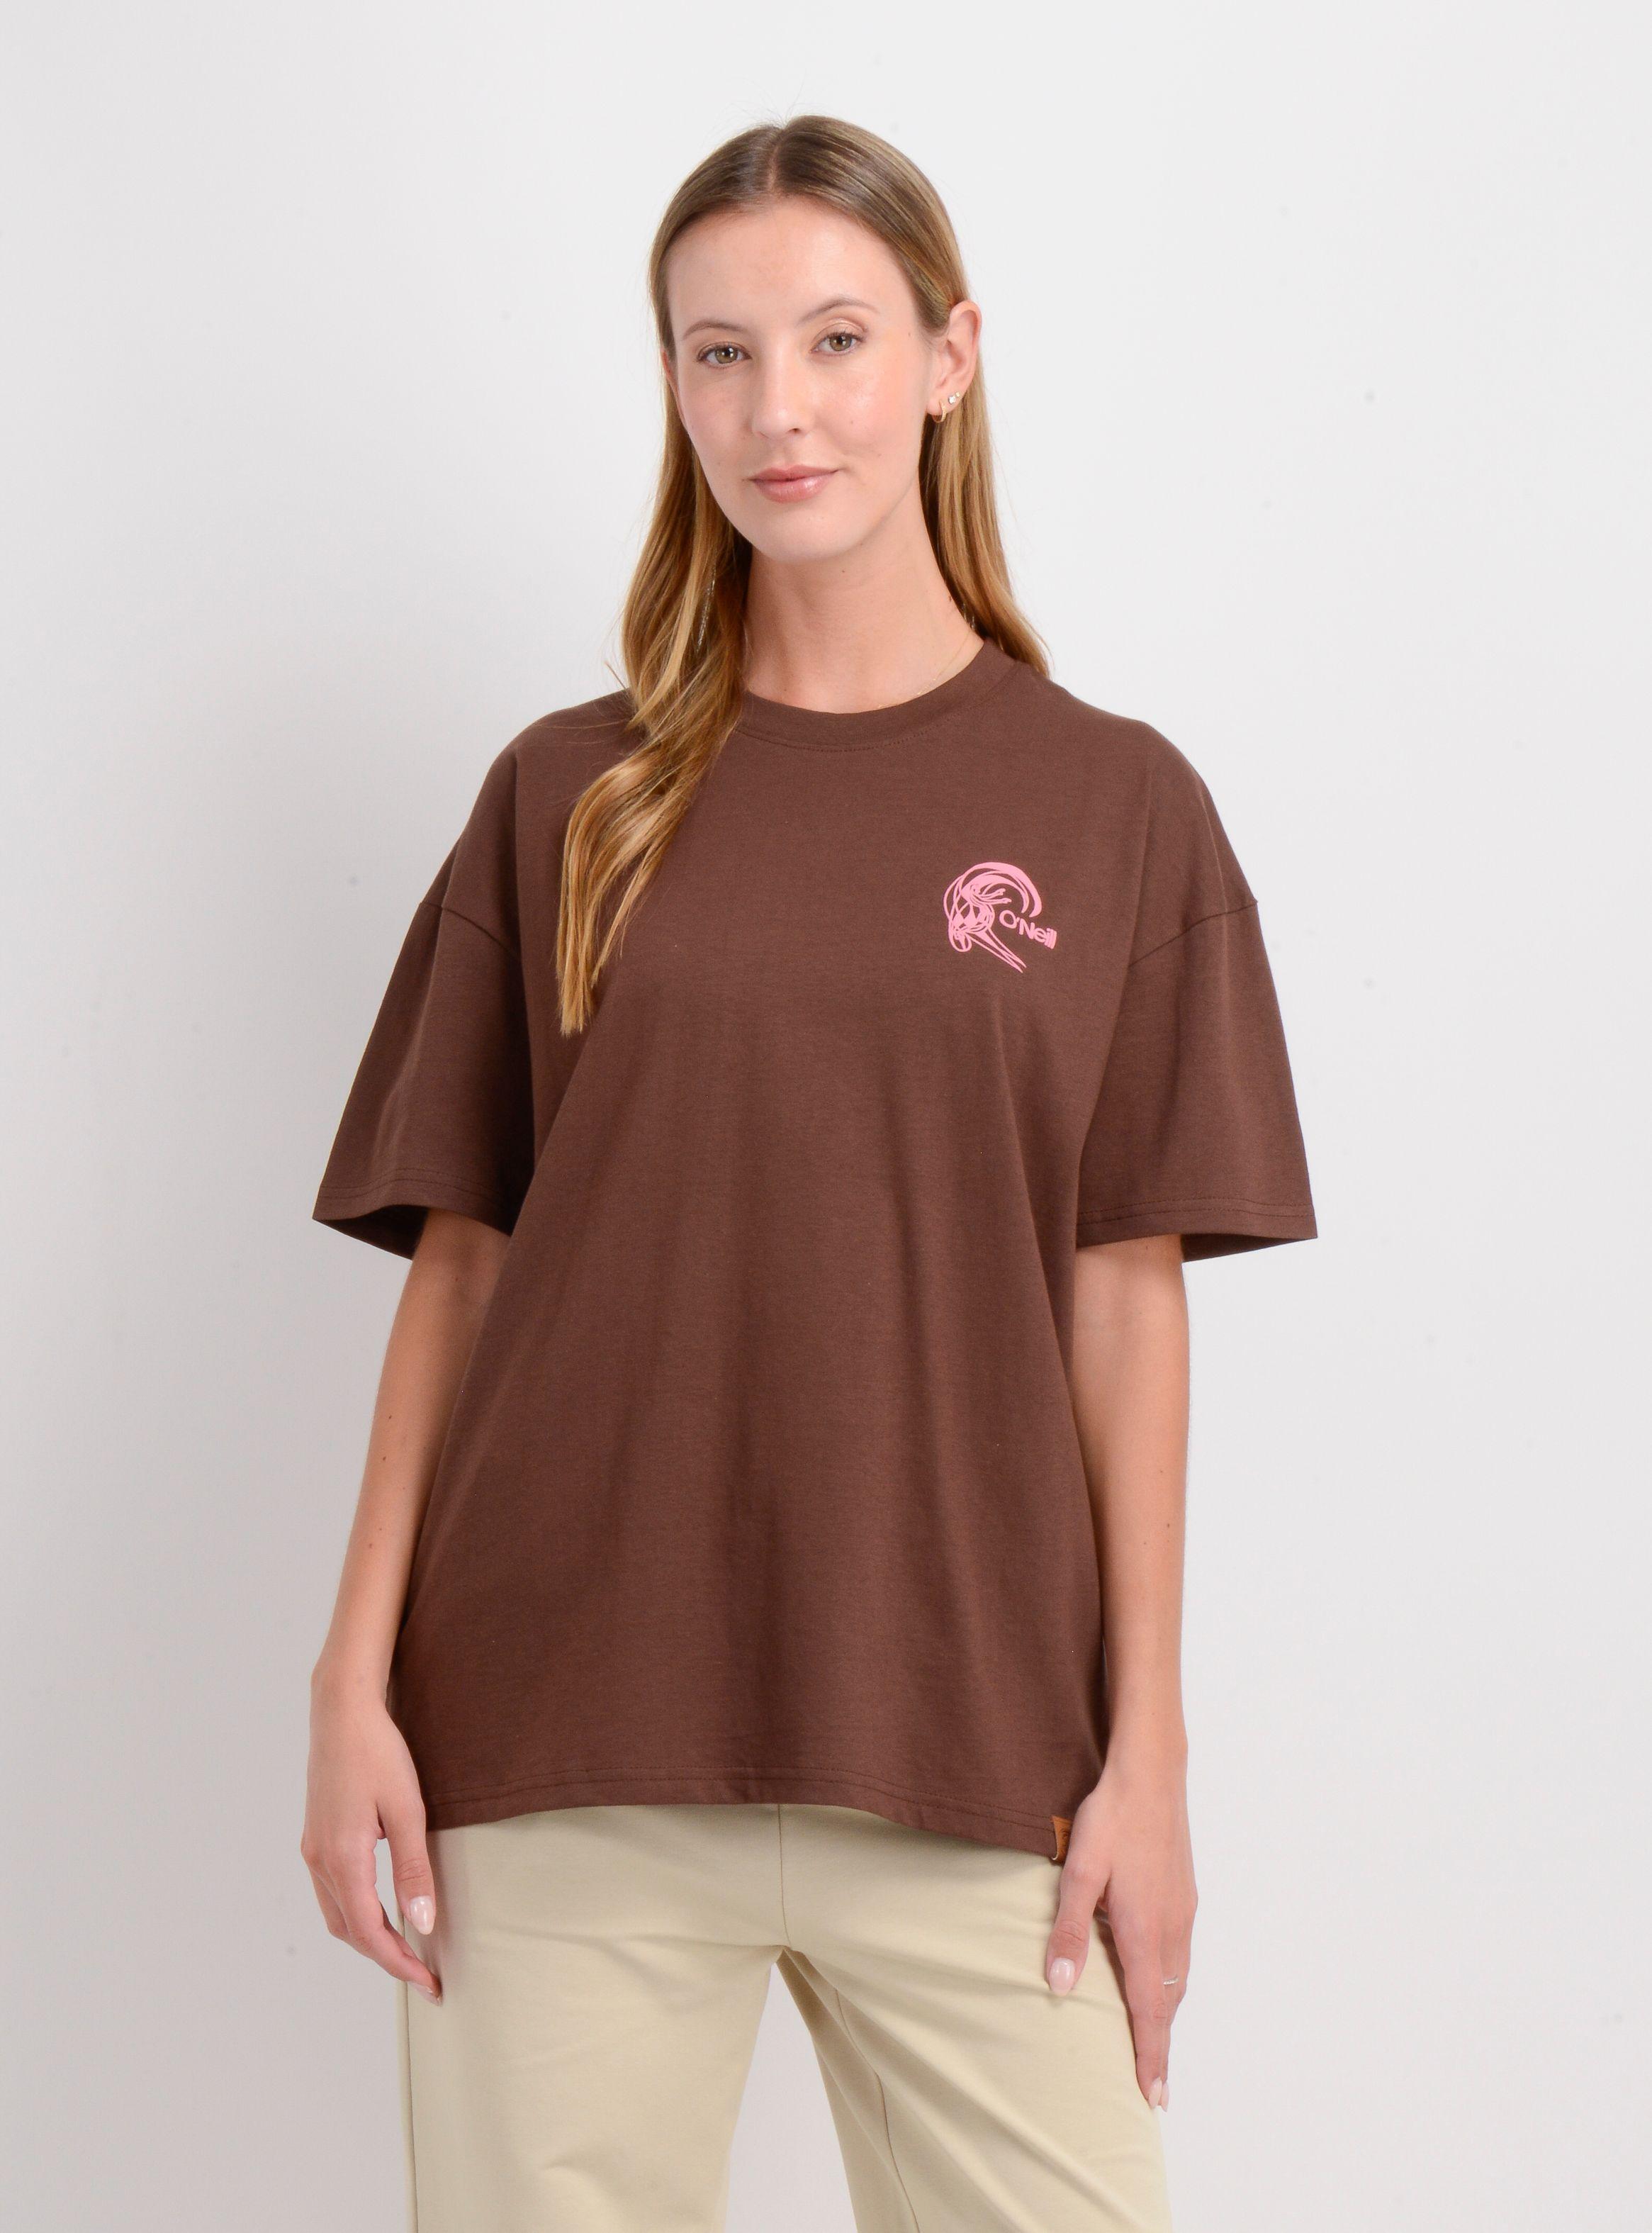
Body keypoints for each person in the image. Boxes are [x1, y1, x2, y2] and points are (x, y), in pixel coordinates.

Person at [300, 113, 1317, 2233]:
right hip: (558, 1726)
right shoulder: (567, 799)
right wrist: (349, 1682)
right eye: (721, 354)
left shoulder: (1119, 810)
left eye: (837, 339)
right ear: (673, 387)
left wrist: (1148, 1754)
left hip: (972, 1740)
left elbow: (1124, 1303)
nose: (781, 409)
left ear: (949, 356)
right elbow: (466, 1264)